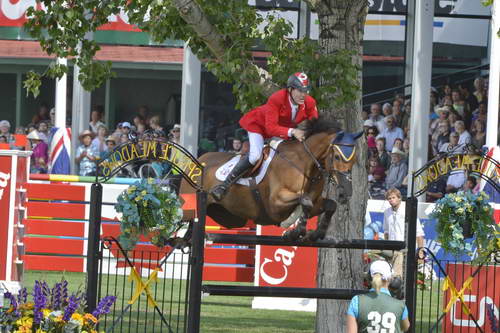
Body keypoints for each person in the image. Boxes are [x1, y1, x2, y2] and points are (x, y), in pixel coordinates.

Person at [209, 72, 318, 201]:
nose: (303, 95)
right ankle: (223, 186)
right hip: (259, 126)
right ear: (290, 89)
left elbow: (315, 124)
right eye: (299, 91)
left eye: (305, 91)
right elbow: (271, 128)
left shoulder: (309, 102)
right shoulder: (277, 98)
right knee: (255, 156)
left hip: (281, 131)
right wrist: (293, 132)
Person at [346, 260, 410, 333]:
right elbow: (405, 327)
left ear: (369, 277)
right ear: (390, 279)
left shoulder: (356, 301)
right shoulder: (400, 305)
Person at [383, 188, 425, 278]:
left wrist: (421, 250)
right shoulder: (387, 212)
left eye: (393, 197)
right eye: (389, 198)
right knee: (392, 273)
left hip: (406, 247)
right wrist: (386, 246)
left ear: (399, 198)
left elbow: (418, 232)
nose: (391, 200)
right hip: (392, 248)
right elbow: (386, 231)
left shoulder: (407, 210)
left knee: (400, 275)